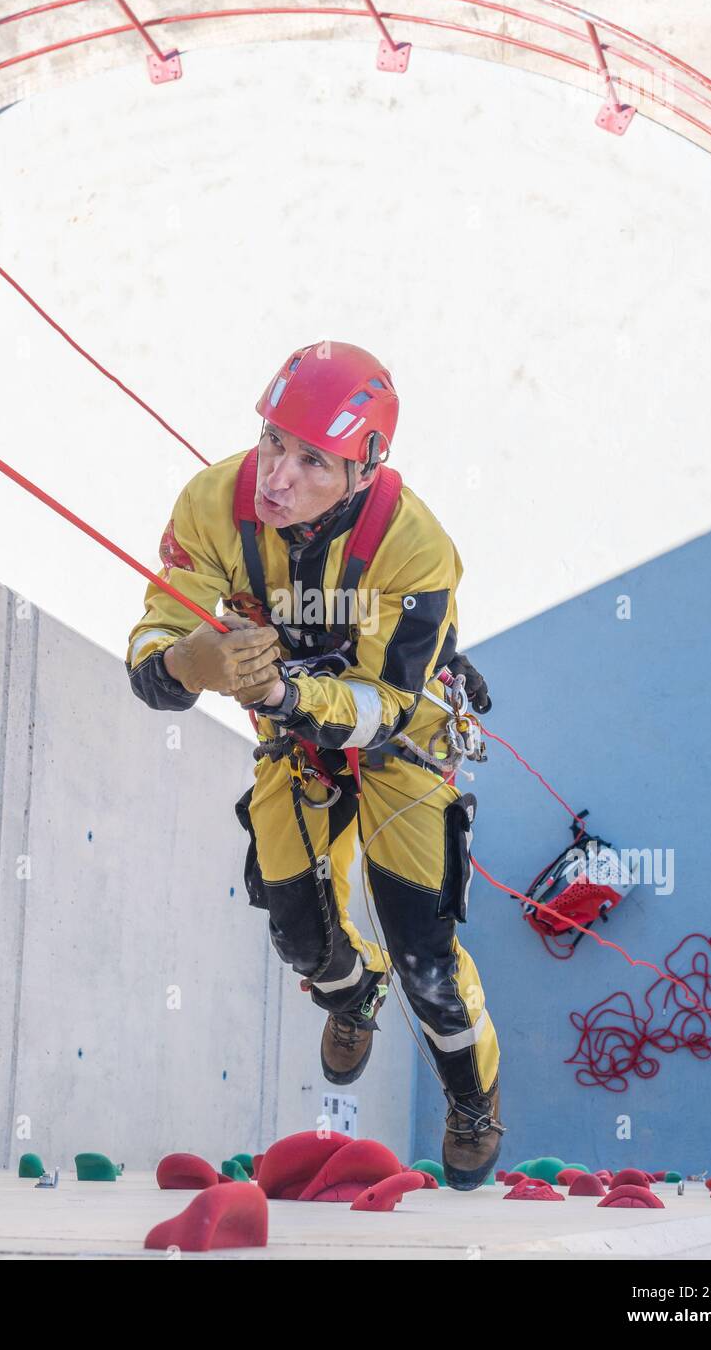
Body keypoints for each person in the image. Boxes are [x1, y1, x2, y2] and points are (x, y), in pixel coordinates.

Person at [126, 341, 504, 1189]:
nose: (275, 478)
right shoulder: (212, 505)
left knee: (427, 956)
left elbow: (389, 705)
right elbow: (153, 639)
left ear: (365, 469)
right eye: (270, 442)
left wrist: (291, 696)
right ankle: (350, 991)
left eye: (311, 461)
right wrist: (188, 662)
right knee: (297, 928)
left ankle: (471, 1099)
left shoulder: (416, 547)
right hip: (292, 739)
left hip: (398, 745)